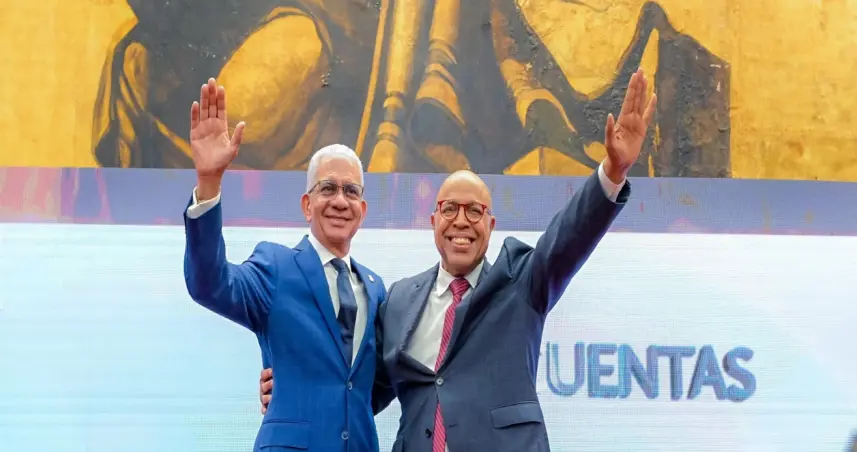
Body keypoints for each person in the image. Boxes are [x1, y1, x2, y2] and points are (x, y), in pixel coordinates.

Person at [261, 69, 657, 451]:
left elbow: (569, 237)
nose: (461, 221)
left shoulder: (521, 282)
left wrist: (613, 171)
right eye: (450, 209)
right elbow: (361, 386)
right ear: (433, 221)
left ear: (491, 224)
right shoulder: (398, 300)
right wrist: (296, 388)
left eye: (474, 211)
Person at [184, 78, 387, 452]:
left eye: (351, 191)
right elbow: (210, 283)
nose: (339, 201)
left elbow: (370, 386)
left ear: (362, 210)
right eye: (327, 188)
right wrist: (209, 182)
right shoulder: (275, 267)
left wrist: (303, 392)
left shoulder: (377, 290)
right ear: (307, 205)